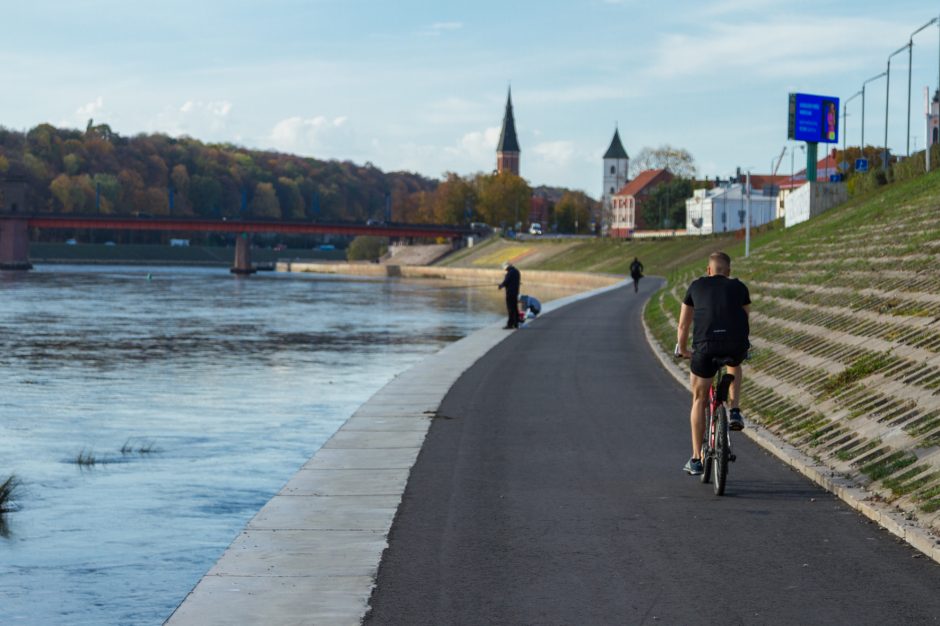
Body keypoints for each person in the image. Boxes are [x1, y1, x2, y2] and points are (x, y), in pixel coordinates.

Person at [676, 251, 750, 476]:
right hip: (734, 345)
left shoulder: (696, 287)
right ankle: (735, 409)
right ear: (728, 272)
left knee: (699, 398)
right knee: (734, 364)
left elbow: (682, 326)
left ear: (708, 270)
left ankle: (697, 458)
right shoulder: (739, 287)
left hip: (705, 347)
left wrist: (683, 350)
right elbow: (744, 319)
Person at [498, 262, 521, 329]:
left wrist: (501, 285)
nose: (504, 269)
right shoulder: (516, 271)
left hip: (510, 293)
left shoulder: (510, 273)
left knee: (510, 308)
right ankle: (516, 323)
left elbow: (506, 281)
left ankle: (510, 324)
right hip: (515, 292)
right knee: (515, 308)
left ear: (506, 267)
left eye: (504, 268)